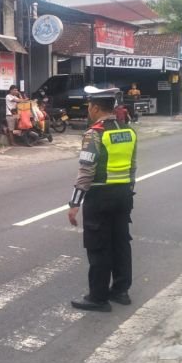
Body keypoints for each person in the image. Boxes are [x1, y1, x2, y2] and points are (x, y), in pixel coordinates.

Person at [67, 87, 137, 312]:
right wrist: (128, 190)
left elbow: (86, 171)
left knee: (98, 247)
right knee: (121, 243)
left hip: (100, 196)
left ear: (96, 108)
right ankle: (121, 291)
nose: (88, 110)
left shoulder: (94, 133)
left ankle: (98, 297)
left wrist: (74, 203)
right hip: (124, 194)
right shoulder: (128, 130)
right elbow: (133, 167)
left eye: (89, 106)